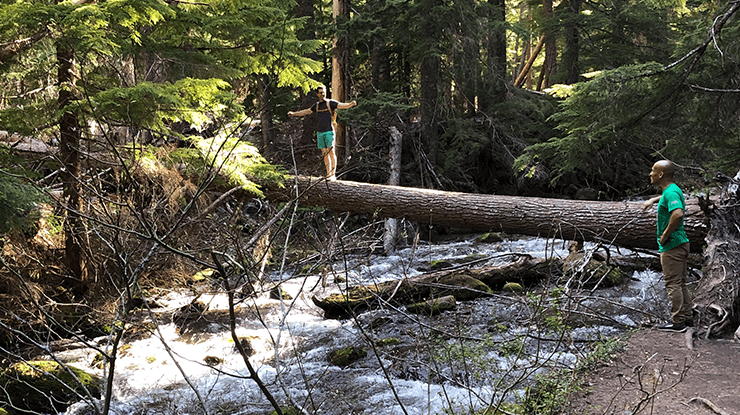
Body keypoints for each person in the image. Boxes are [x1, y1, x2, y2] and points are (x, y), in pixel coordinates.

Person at [642, 160, 693, 332]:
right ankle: (687, 319)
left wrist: (664, 236)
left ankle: (678, 322)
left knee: (673, 284)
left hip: (673, 245)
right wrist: (653, 200)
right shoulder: (672, 189)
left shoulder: (670, 193)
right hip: (681, 243)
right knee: (681, 282)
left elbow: (677, 213)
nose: (650, 173)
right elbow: (669, 197)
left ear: (661, 175)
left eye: (653, 170)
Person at [288, 85, 357, 180]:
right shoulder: (316, 106)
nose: (323, 94)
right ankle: (328, 174)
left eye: (324, 92)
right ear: (317, 94)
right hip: (320, 132)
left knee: (331, 151)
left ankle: (333, 174)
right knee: (324, 153)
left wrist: (350, 105)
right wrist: (294, 114)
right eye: (320, 92)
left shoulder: (330, 103)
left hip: (329, 131)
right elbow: (306, 111)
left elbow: (341, 105)